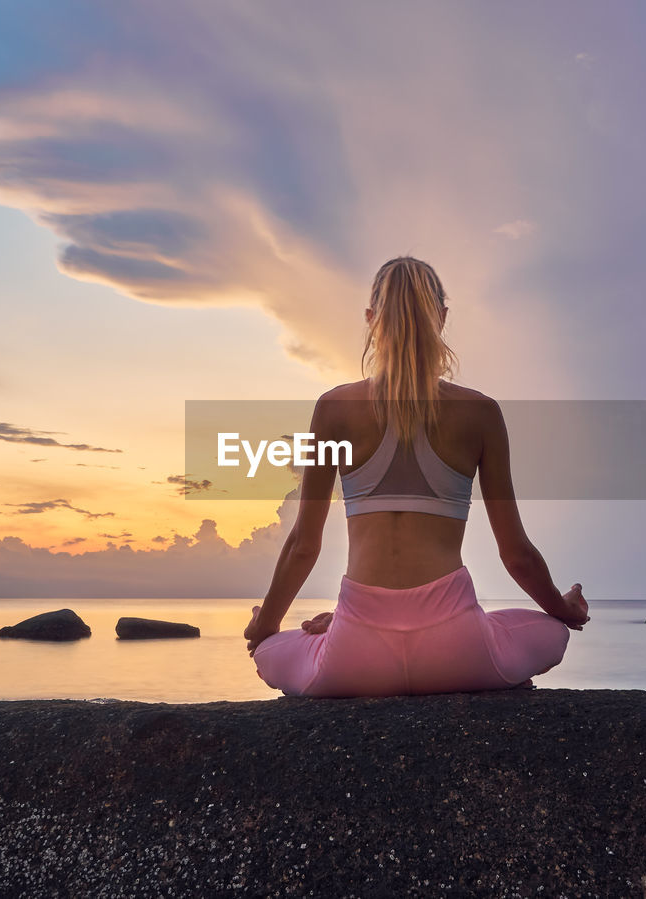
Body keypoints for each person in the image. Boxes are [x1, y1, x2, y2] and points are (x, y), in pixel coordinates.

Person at [244, 256, 588, 697]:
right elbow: (516, 554)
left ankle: (345, 626)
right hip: (458, 653)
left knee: (274, 651)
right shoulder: (481, 413)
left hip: (356, 657)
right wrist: (563, 608)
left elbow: (302, 546)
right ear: (442, 318)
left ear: (371, 320)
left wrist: (266, 626)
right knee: (549, 631)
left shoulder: (333, 409)